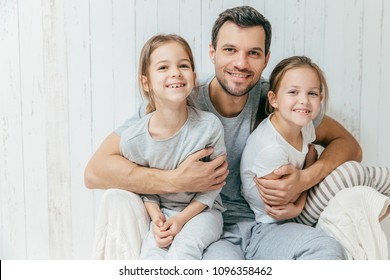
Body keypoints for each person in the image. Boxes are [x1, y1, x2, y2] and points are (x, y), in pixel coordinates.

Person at [85, 6, 362, 259]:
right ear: (212, 52)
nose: (241, 63)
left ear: (265, 59)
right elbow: (95, 172)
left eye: (253, 53)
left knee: (327, 249)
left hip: (266, 228)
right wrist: (174, 180)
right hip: (208, 229)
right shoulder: (180, 100)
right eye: (230, 50)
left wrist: (304, 179)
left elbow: (349, 145)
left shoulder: (278, 100)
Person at [240, 55, 390, 227]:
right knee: (352, 173)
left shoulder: (305, 126)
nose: (304, 100)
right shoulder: (270, 149)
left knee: (362, 176)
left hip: (298, 202)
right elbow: (281, 203)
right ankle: (366, 216)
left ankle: (367, 215)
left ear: (320, 99)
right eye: (293, 92)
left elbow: (354, 151)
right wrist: (310, 164)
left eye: (312, 93)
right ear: (273, 99)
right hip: (281, 218)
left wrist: (307, 173)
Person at [120, 34, 226, 259]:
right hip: (164, 213)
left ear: (194, 77)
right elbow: (143, 186)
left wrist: (181, 219)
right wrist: (157, 217)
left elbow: (214, 186)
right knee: (150, 256)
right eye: (163, 67)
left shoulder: (209, 127)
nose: (176, 72)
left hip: (203, 211)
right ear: (146, 82)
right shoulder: (134, 140)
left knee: (183, 251)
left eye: (183, 65)